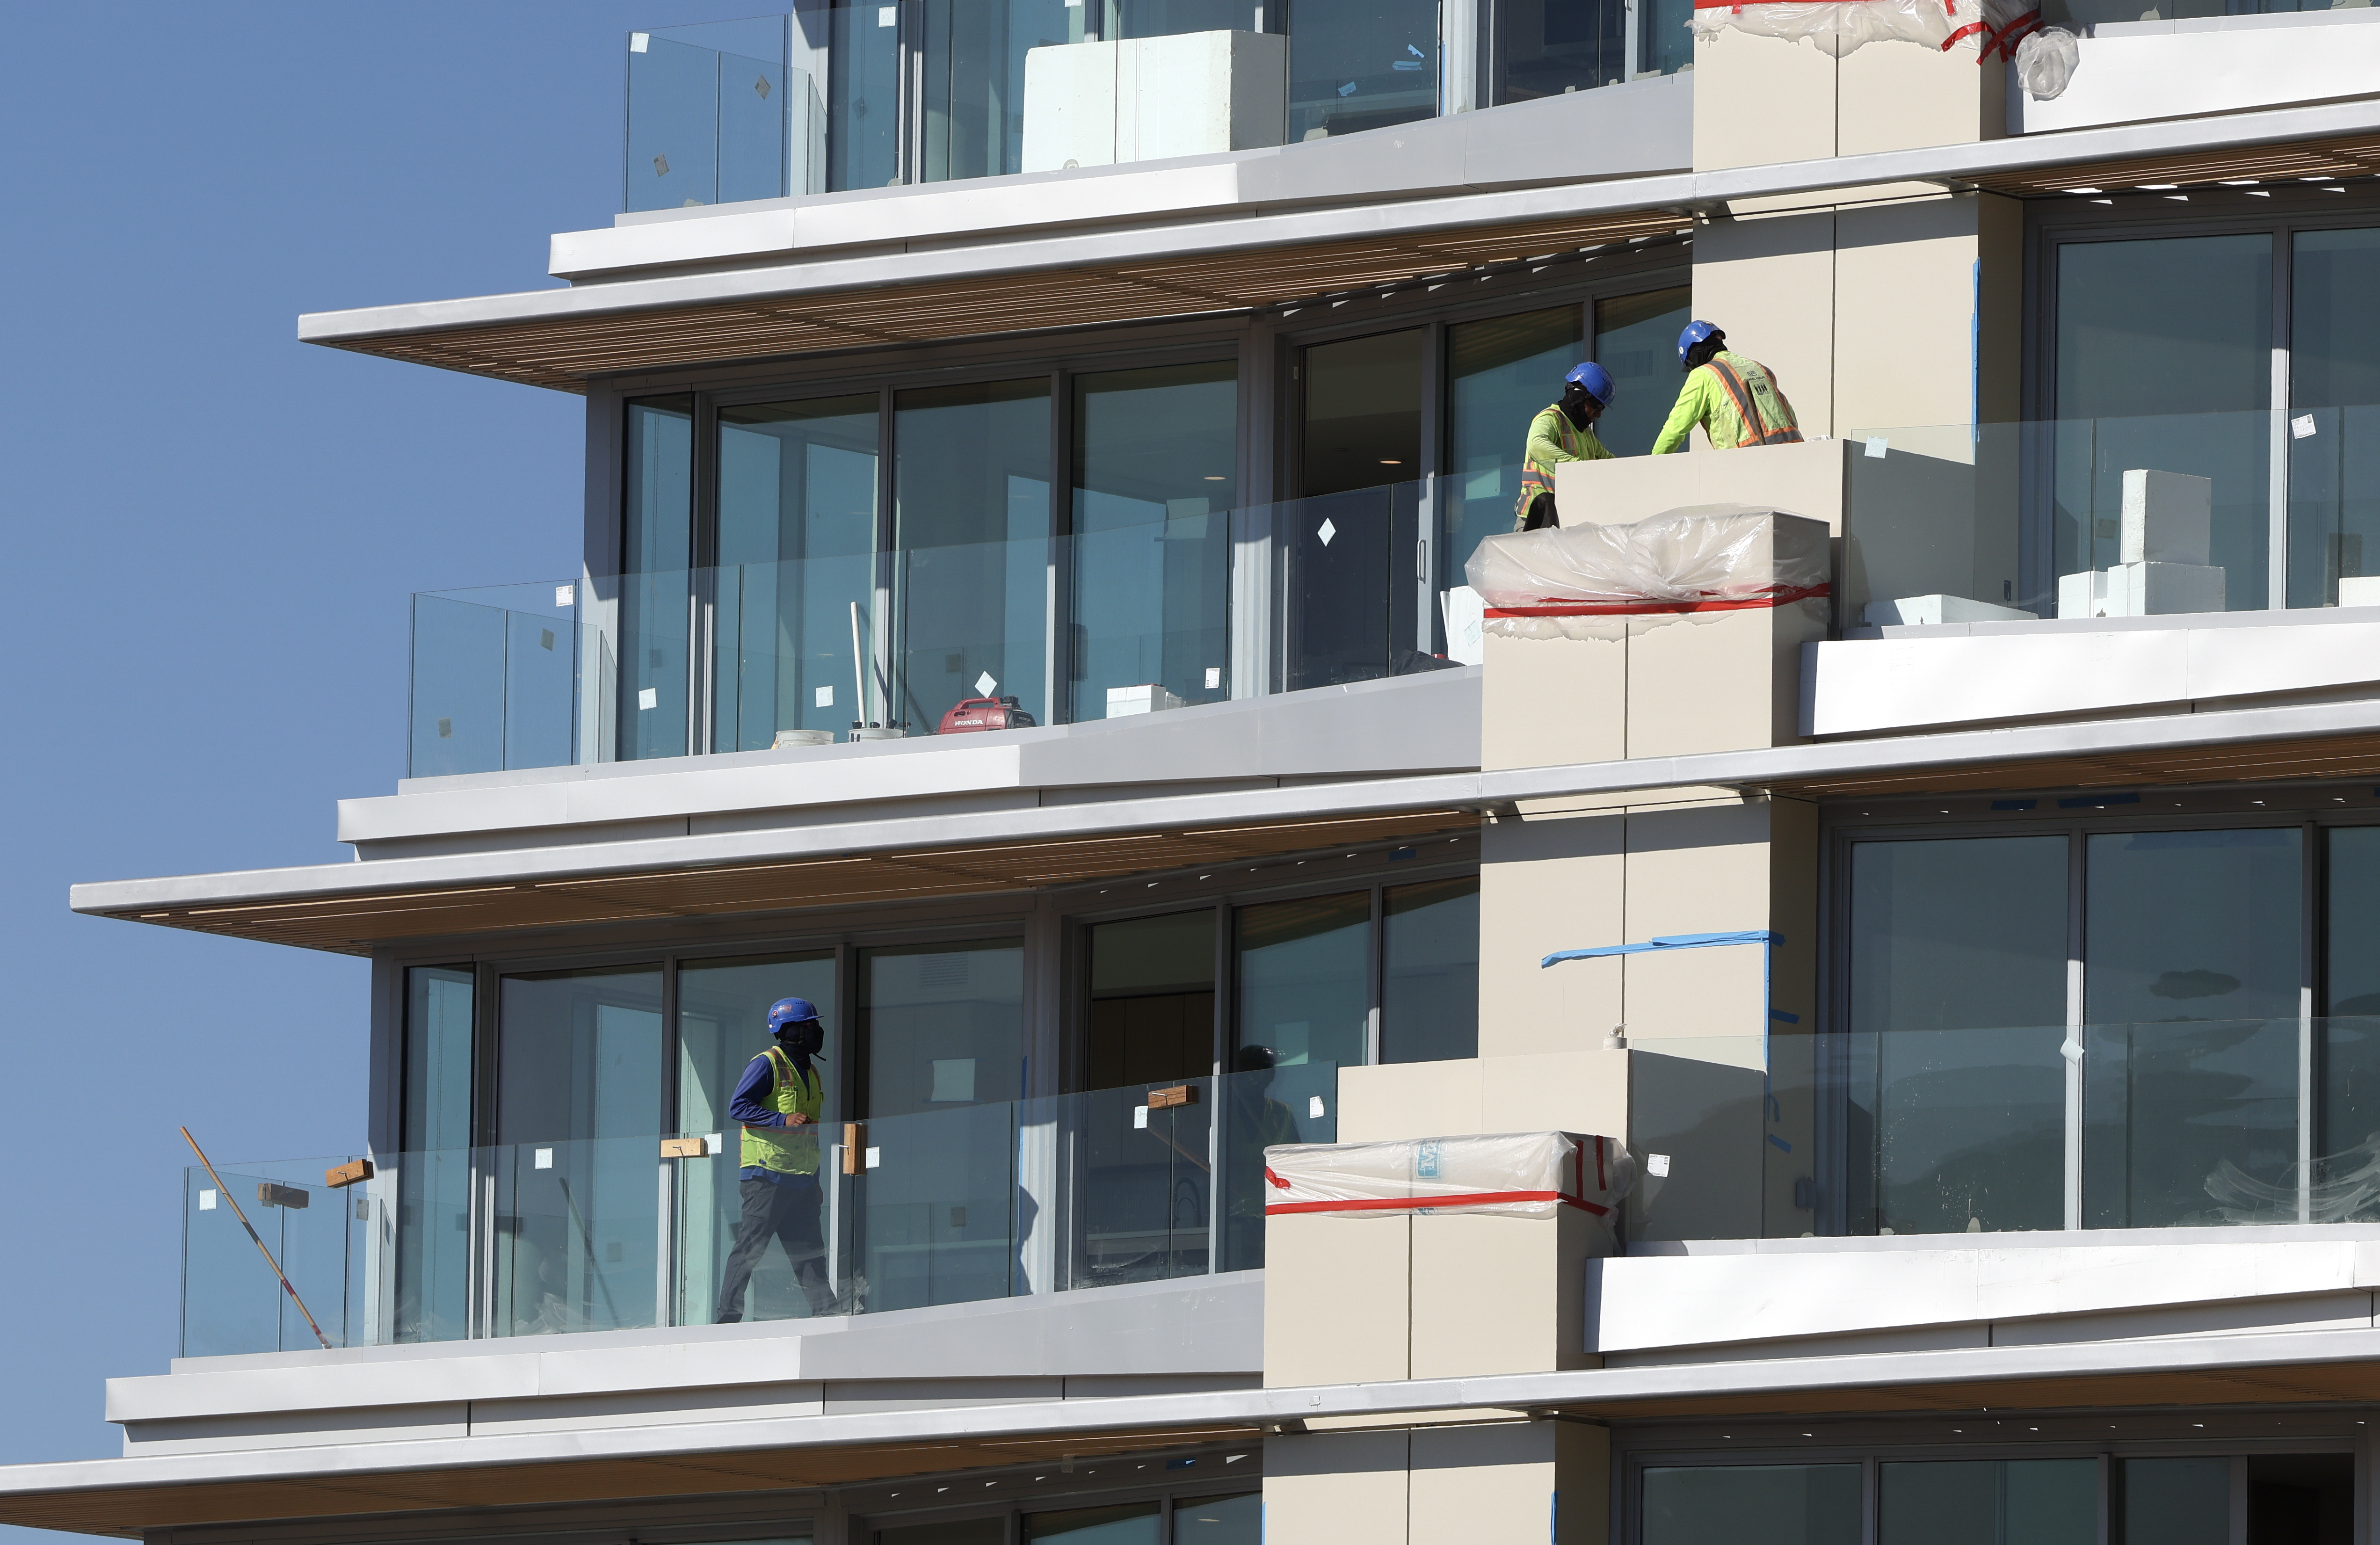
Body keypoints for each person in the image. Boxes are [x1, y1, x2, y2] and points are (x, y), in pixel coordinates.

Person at [715, 996, 834, 1322]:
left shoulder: (812, 1072)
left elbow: (812, 1132)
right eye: (810, 1025)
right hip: (766, 1176)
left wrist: (817, 1178)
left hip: (803, 1180)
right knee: (750, 1249)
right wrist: (781, 1120)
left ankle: (828, 1316)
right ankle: (727, 1320)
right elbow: (738, 1106)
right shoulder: (767, 1063)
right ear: (791, 1030)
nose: (816, 1031)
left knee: (811, 1255)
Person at [1651, 320, 1803, 455]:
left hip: (1749, 461)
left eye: (1691, 363)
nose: (1693, 368)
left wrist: (1652, 465)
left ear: (1695, 351)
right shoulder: (1759, 368)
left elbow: (1676, 428)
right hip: (1796, 454)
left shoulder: (1703, 375)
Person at [1513, 361, 1618, 532]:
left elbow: (1610, 463)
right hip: (1536, 520)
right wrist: (1575, 468)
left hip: (1564, 520)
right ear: (1579, 397)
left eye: (1603, 408)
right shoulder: (1550, 419)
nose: (1599, 414)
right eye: (1597, 406)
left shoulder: (1586, 434)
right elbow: (1536, 444)